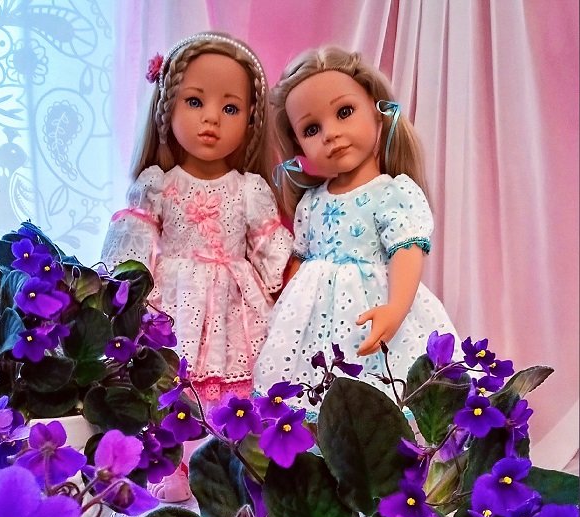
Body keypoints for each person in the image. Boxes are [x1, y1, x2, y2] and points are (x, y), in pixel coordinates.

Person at [253, 45, 460, 411]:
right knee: (311, 398)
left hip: (373, 309)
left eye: (344, 112)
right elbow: (301, 263)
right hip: (315, 326)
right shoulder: (311, 202)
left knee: (384, 390)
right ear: (298, 144)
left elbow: (406, 250)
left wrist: (396, 309)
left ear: (378, 112)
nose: (330, 134)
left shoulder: (391, 192)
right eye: (312, 129)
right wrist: (285, 315)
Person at [101, 31, 293, 404]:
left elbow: (274, 258)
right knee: (169, 387)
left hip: (236, 311)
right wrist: (120, 303)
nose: (211, 118)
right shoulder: (157, 185)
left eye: (230, 108)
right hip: (174, 303)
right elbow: (130, 258)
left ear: (251, 120)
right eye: (194, 102)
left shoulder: (249, 190)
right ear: (166, 108)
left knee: (243, 394)